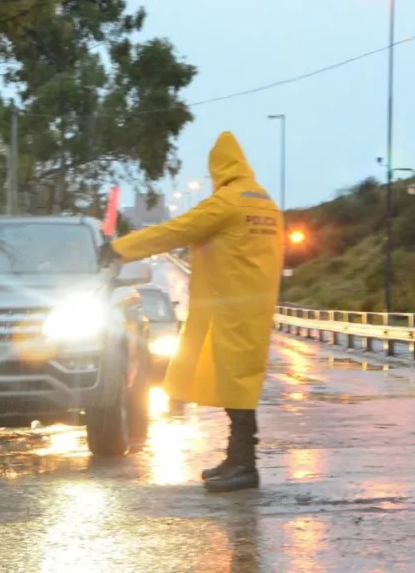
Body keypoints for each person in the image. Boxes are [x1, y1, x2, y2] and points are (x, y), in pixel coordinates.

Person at [107, 131, 284, 492]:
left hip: (230, 306)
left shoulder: (228, 202)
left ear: (219, 167)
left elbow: (176, 230)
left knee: (235, 385)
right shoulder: (265, 203)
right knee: (240, 382)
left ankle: (245, 465)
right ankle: (236, 459)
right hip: (256, 305)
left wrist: (120, 248)